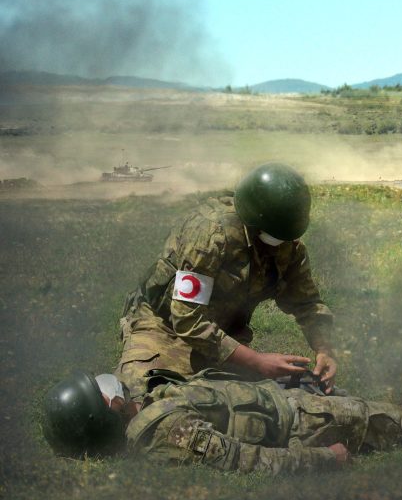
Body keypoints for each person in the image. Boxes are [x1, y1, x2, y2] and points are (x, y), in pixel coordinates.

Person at [116, 163, 339, 397]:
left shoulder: (287, 247)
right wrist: (255, 361)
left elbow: (307, 304)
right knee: (144, 398)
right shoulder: (210, 235)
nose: (282, 243)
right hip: (162, 327)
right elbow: (186, 318)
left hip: (222, 337)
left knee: (250, 409)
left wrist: (324, 349)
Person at [41, 369, 402, 474]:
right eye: (101, 392)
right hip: (300, 425)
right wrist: (324, 459)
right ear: (106, 412)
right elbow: (243, 460)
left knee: (356, 404)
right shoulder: (164, 432)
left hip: (282, 401)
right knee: (378, 418)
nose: (109, 386)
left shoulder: (145, 407)